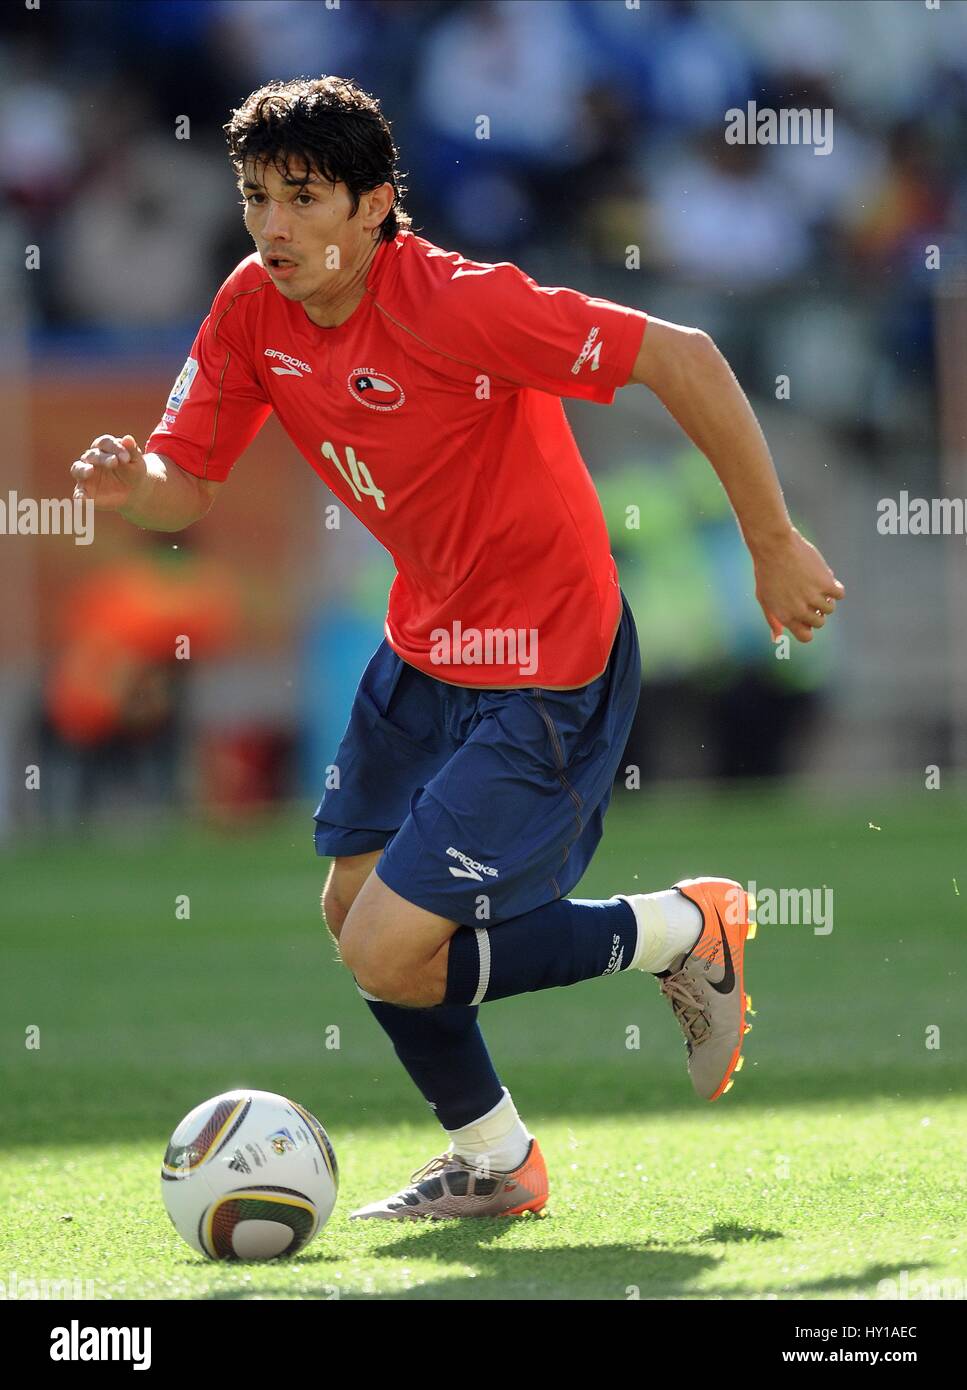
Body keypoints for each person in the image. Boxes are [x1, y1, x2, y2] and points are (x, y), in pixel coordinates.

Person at [70, 76, 844, 1220]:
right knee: (352, 917)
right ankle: (497, 1162)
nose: (274, 227)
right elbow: (185, 486)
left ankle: (685, 928)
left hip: (546, 660)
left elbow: (679, 353)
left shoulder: (461, 306)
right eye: (253, 198)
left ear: (376, 204)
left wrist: (771, 542)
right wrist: (132, 480)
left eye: (303, 198)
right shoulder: (250, 305)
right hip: (427, 643)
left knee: (390, 948)